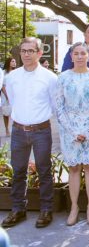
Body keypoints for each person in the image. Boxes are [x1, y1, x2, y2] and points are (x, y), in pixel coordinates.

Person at [1, 37, 58, 229]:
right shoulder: (12, 77)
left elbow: (54, 104)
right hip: (18, 130)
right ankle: (18, 209)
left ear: (39, 53)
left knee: (44, 170)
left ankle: (46, 209)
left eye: (30, 51)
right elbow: (13, 100)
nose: (26, 54)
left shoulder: (50, 78)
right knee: (18, 171)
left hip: (41, 130)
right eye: (23, 51)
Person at [55, 42, 89, 226]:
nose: (79, 56)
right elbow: (59, 106)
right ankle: (74, 207)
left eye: (83, 53)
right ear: (71, 56)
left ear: (88, 56)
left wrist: (86, 129)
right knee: (74, 168)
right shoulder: (63, 77)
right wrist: (73, 130)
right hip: (69, 130)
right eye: (75, 53)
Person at [0, 57, 13, 137]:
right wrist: (7, 95)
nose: (14, 63)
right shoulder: (3, 72)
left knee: (15, 112)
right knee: (6, 113)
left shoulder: (15, 72)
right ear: (8, 62)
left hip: (14, 94)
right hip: (5, 95)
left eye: (15, 61)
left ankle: (15, 129)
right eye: (12, 61)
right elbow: (2, 85)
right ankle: (7, 129)